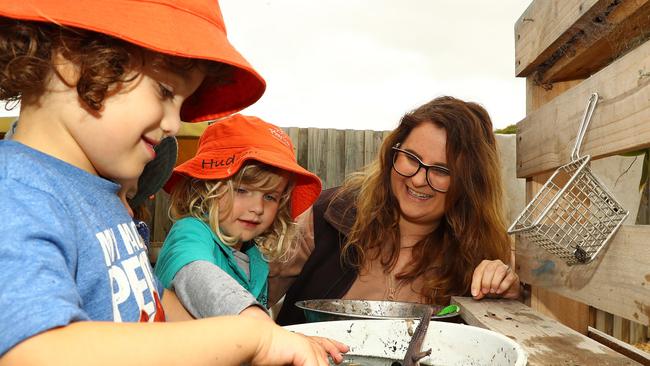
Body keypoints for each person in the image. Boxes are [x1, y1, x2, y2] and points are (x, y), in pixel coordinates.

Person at [0, 1, 346, 364]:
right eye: (166, 92)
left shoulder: (101, 196)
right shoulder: (16, 191)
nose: (174, 125)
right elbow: (31, 351)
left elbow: (148, 306)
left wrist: (256, 339)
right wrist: (250, 337)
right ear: (70, 61)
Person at [269, 96, 522, 325]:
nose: (418, 180)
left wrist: (504, 298)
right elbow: (249, 295)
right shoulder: (327, 215)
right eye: (411, 158)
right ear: (393, 153)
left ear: (469, 184)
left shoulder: (478, 255)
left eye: (441, 170)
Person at [155, 114, 322, 318]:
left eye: (270, 196)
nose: (258, 208)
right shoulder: (192, 230)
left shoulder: (256, 257)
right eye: (242, 191)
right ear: (205, 189)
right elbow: (193, 273)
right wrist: (254, 321)